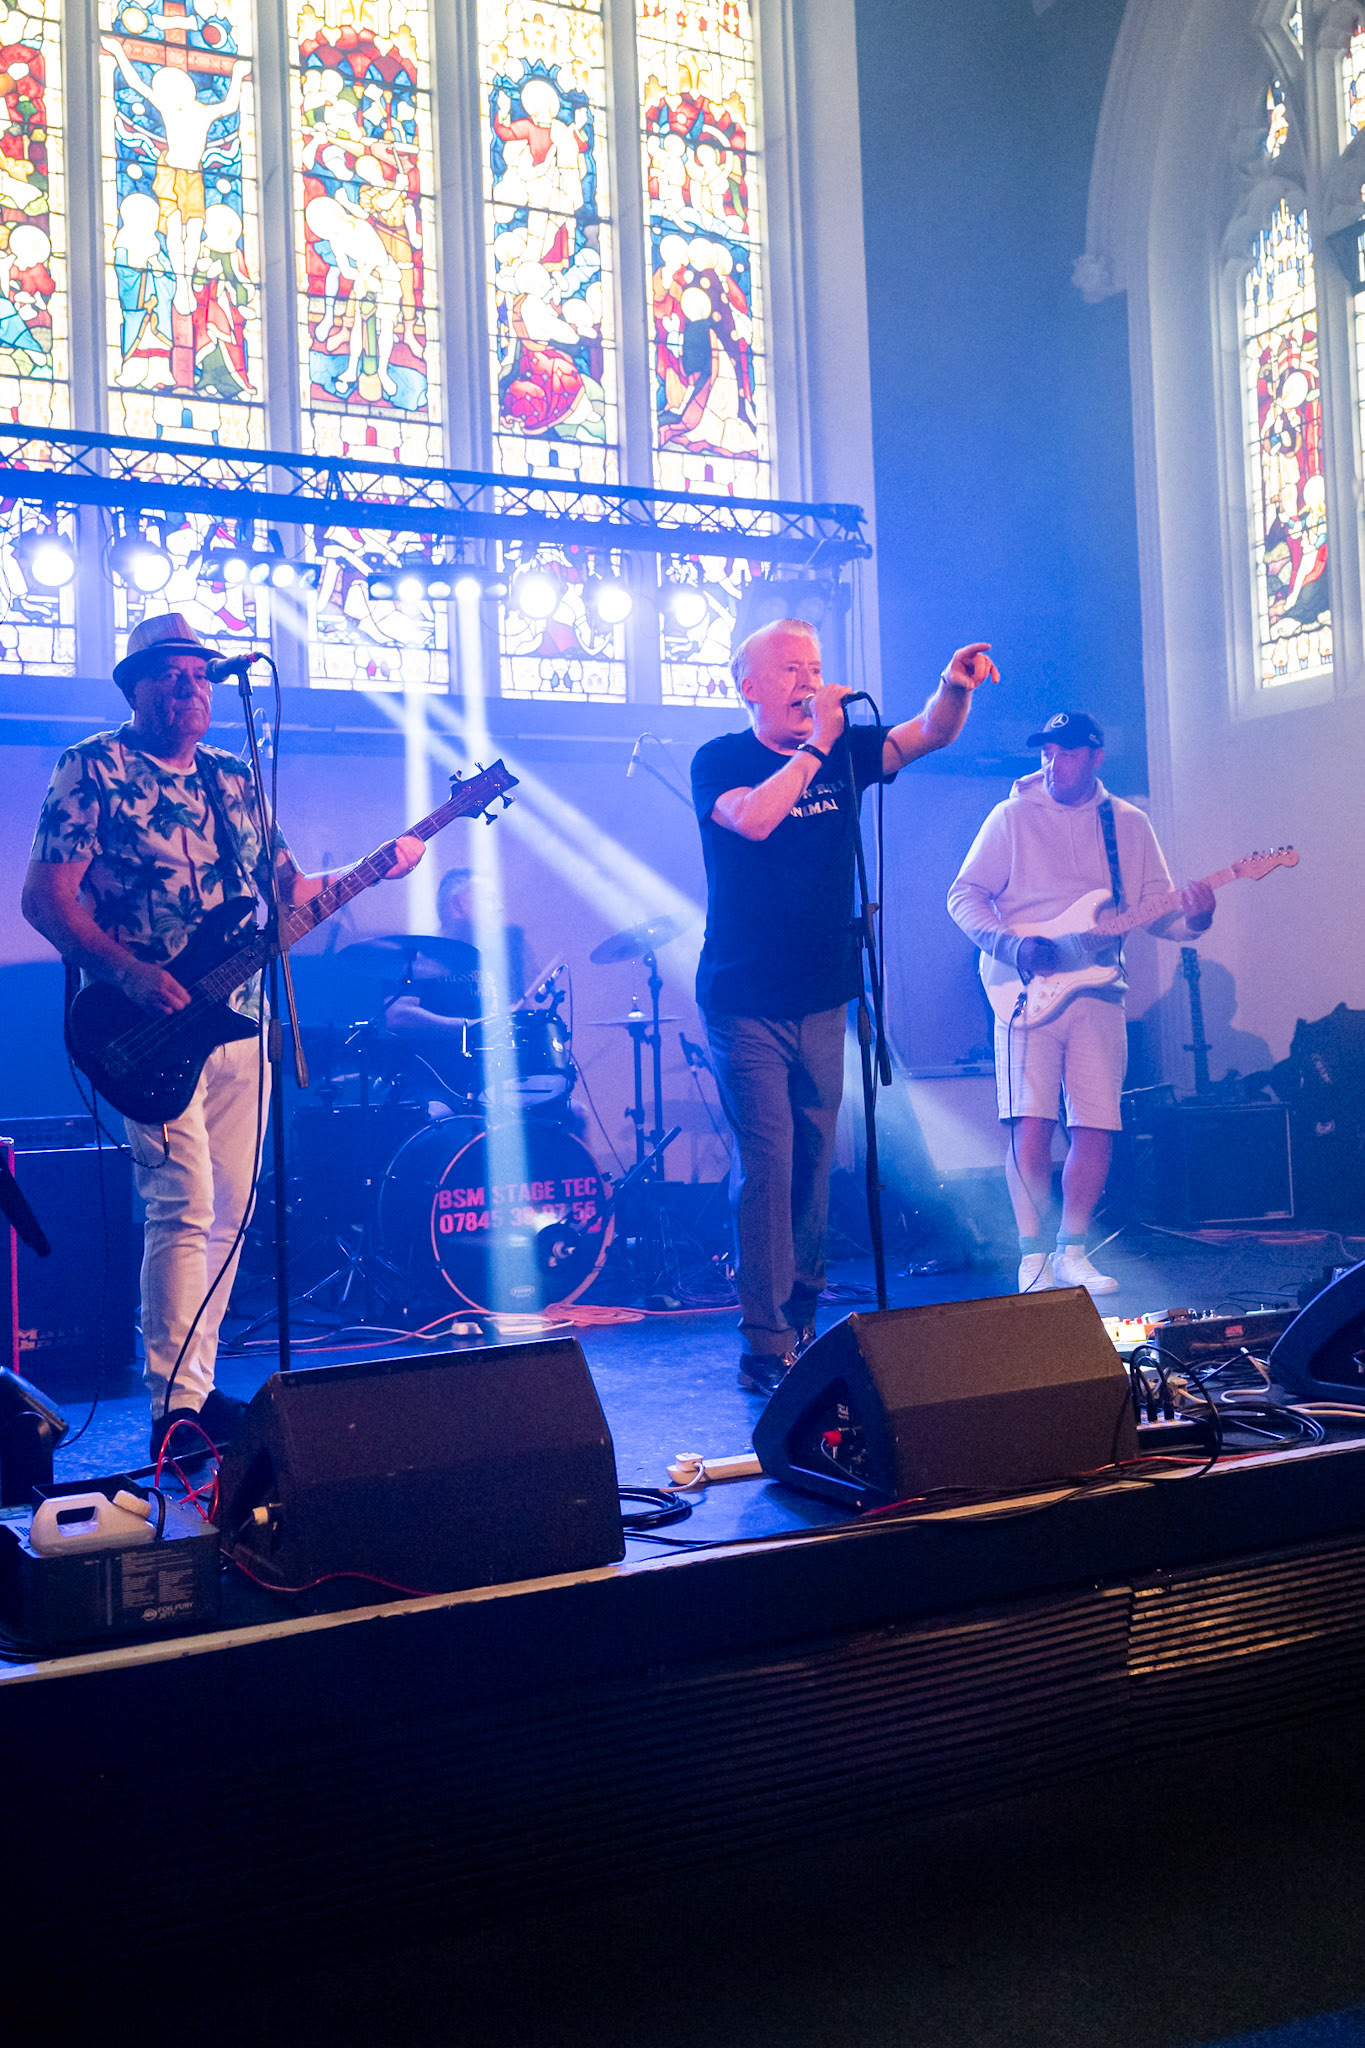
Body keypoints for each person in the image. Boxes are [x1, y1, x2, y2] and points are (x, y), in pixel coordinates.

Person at [21, 613, 424, 1460]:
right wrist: (130, 973)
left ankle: (196, 1392)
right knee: (184, 1203)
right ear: (135, 688)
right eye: (172, 673)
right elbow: (45, 900)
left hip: (239, 1018)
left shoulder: (235, 778)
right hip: (141, 1028)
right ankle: (171, 1407)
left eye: (202, 674)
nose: (192, 686)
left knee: (232, 1208)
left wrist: (375, 865)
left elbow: (290, 892)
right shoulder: (93, 767)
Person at [692, 617, 999, 1395]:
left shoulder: (844, 751)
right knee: (768, 1162)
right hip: (745, 1000)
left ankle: (800, 1319)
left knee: (813, 1160)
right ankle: (762, 1342)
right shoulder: (720, 759)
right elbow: (754, 819)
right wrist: (817, 747)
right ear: (748, 685)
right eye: (790, 668)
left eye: (814, 666)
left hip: (825, 996)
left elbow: (928, 733)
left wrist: (952, 687)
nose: (808, 680)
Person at [947, 710, 1215, 1298]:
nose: (1052, 763)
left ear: (1096, 756)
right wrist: (1012, 945)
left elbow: (1157, 911)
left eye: (1066, 753)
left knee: (1096, 1123)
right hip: (1023, 987)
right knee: (1030, 1122)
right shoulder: (1010, 816)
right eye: (1046, 752)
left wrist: (1197, 918)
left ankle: (1071, 1251)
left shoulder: (1129, 824)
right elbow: (963, 895)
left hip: (1099, 989)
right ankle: (1031, 1256)